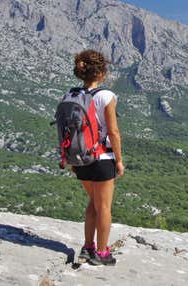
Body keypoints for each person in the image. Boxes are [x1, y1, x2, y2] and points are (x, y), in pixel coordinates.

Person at [70, 50, 124, 266]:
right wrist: (118, 160)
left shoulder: (72, 94)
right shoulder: (106, 96)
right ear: (101, 72)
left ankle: (87, 247)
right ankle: (101, 253)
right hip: (102, 160)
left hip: (80, 159)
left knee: (94, 201)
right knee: (104, 207)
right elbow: (113, 132)